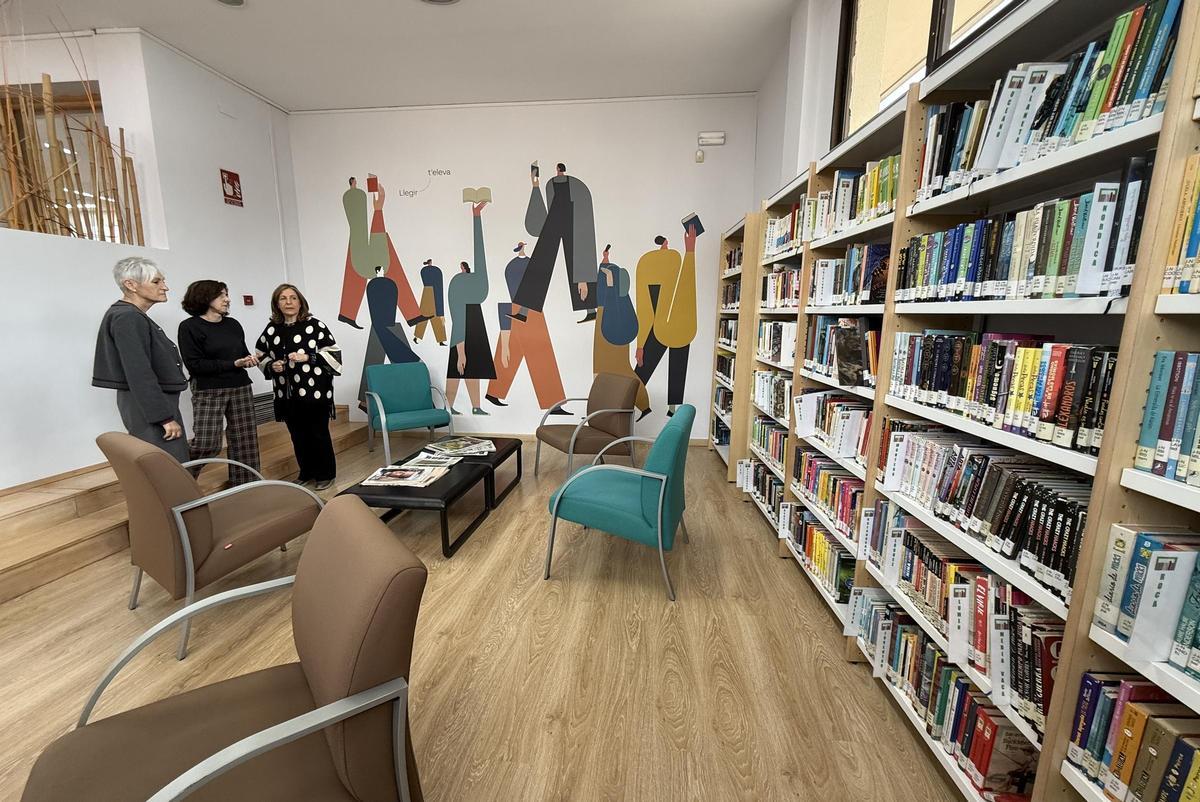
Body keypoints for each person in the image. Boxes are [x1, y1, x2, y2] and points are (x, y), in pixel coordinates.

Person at [92, 257, 190, 461]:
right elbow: (139, 372)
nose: (165, 287)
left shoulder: (129, 315)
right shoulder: (128, 317)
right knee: (168, 465)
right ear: (131, 285)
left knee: (169, 464)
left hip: (151, 402)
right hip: (150, 405)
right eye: (156, 281)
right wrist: (163, 417)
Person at [254, 284, 342, 490]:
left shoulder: (315, 326)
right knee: (297, 435)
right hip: (286, 393)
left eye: (293, 298)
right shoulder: (272, 329)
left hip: (315, 392)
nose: (289, 302)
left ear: (300, 301)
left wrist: (308, 357)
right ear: (277, 304)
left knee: (318, 433)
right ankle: (306, 472)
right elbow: (260, 353)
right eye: (283, 299)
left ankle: (325, 474)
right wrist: (270, 365)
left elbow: (335, 354)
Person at [177, 280, 261, 485]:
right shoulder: (189, 327)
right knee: (207, 443)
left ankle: (246, 485)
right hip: (208, 390)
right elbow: (195, 365)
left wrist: (248, 360)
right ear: (205, 297)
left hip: (240, 386)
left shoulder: (233, 324)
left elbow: (240, 354)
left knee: (245, 441)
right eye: (222, 295)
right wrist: (233, 363)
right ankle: (179, 482)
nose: (227, 299)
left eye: (227, 294)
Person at [485, 240, 568, 412]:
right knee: (541, 354)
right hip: (528, 307)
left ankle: (494, 392)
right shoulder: (522, 266)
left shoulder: (512, 267)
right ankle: (554, 403)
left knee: (510, 351)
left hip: (523, 306)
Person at [513, 162, 598, 323]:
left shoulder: (574, 186)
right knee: (540, 262)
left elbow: (584, 230)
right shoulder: (552, 184)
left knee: (547, 262)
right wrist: (536, 186)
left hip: (572, 221)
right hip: (555, 220)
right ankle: (524, 311)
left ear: (558, 170)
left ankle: (591, 309)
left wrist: (536, 186)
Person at [635, 225, 699, 416]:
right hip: (680, 326)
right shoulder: (675, 261)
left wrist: (640, 345)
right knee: (675, 366)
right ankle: (672, 410)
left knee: (640, 373)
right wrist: (690, 251)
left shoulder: (645, 265)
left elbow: (644, 310)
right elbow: (687, 285)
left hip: (661, 326)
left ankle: (631, 406)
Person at [446, 200, 497, 415]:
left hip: (474, 324)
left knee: (472, 367)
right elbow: (458, 322)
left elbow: (480, 257)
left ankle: (475, 406)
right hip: (463, 331)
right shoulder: (458, 288)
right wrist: (461, 352)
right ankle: (448, 407)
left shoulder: (473, 297)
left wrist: (477, 218)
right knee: (458, 368)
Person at [592, 246, 650, 418]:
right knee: (603, 370)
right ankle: (601, 412)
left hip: (610, 331)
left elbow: (610, 297)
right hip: (605, 326)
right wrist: (605, 261)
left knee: (617, 370)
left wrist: (610, 280)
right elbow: (603, 292)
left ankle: (643, 405)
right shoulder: (616, 299)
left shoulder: (618, 302)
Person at [414, 259, 447, 344]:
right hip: (434, 292)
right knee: (437, 317)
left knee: (423, 316)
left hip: (426, 293)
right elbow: (439, 287)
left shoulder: (423, 271)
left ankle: (416, 337)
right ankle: (441, 340)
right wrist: (441, 313)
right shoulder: (437, 271)